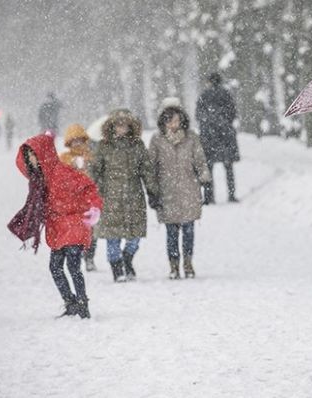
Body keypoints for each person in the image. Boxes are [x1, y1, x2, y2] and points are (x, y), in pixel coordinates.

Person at [7, 131, 102, 318]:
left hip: (74, 224)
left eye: (34, 155)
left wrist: (95, 208)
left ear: (43, 154)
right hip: (58, 228)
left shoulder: (62, 172)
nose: (32, 160)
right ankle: (71, 302)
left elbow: (88, 187)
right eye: (29, 157)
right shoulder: (40, 180)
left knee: (73, 267)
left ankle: (82, 304)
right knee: (55, 268)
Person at [90, 109, 160, 282]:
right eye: (118, 125)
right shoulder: (103, 146)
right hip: (110, 198)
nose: (122, 128)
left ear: (131, 126)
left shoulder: (137, 145)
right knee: (112, 237)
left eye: (125, 125)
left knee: (134, 237)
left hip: (133, 196)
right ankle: (116, 268)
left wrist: (153, 191)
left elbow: (147, 170)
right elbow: (94, 170)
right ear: (112, 126)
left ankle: (127, 259)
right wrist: (90, 192)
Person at [149, 105, 211, 279]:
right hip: (166, 191)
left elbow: (200, 161)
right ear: (164, 122)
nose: (173, 124)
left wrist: (205, 182)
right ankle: (174, 266)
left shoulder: (192, 139)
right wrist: (152, 191)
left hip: (189, 190)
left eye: (177, 120)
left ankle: (188, 263)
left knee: (189, 230)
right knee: (171, 232)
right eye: (170, 121)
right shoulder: (157, 140)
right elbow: (151, 167)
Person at [194, 72, 240, 204]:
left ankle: (209, 197)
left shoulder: (203, 96)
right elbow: (233, 113)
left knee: (209, 167)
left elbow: (198, 115)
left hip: (209, 136)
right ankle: (231, 195)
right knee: (228, 166)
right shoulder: (226, 95)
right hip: (226, 135)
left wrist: (208, 125)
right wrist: (224, 124)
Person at [59, 124, 98, 271]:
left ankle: (89, 258)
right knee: (75, 231)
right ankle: (77, 256)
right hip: (72, 202)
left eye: (80, 140)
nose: (77, 144)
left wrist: (87, 166)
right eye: (74, 141)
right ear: (69, 143)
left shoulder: (91, 156)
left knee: (91, 231)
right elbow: (60, 178)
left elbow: (97, 173)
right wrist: (71, 166)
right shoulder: (64, 158)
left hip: (89, 200)